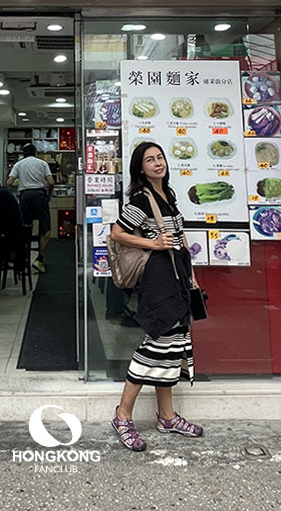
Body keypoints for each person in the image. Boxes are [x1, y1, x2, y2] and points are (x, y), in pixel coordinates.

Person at [108, 142, 203, 451]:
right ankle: (122, 415)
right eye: (150, 160)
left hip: (176, 277)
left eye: (160, 157)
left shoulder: (169, 195)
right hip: (158, 281)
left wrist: (191, 275)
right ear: (141, 168)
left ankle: (166, 416)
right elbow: (117, 233)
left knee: (174, 345)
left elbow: (180, 236)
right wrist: (154, 244)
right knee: (156, 345)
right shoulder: (141, 199)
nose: (157, 163)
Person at [7, 143, 54, 272]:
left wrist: (14, 197)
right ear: (35, 153)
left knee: (25, 228)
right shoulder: (42, 163)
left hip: (24, 196)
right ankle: (39, 259)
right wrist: (48, 194)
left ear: (24, 154)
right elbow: (51, 182)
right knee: (46, 228)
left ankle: (22, 259)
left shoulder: (19, 164)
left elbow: (9, 183)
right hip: (39, 195)